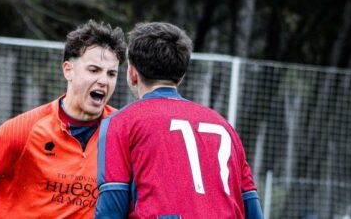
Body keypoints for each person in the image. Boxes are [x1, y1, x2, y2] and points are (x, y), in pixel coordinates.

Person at [0, 20, 126, 218]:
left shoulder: (123, 131)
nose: (103, 81)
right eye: (94, 70)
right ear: (68, 70)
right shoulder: (24, 129)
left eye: (111, 74)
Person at [95, 22, 263, 219]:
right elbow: (251, 206)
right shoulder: (224, 127)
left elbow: (111, 209)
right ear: (181, 76)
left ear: (132, 73)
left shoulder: (121, 122)